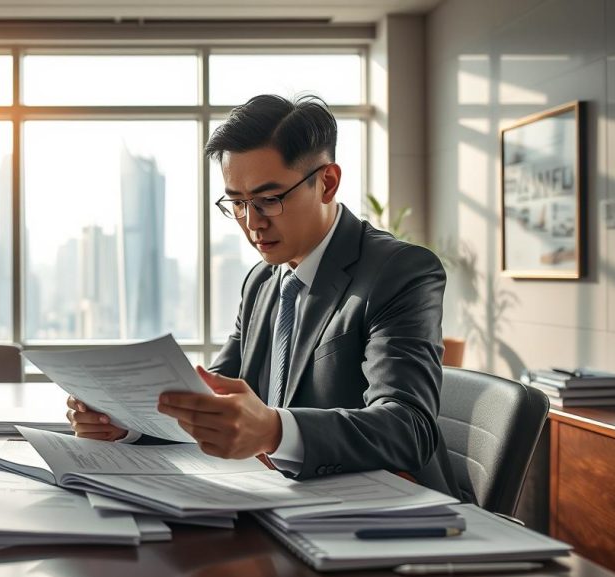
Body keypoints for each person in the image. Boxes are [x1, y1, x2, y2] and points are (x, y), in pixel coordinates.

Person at [66, 94, 462, 499]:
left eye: (269, 199)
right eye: (237, 203)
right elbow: (215, 398)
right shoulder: (262, 281)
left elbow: (407, 429)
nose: (252, 223)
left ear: (327, 183)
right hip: (284, 502)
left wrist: (274, 430)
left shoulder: (399, 271)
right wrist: (127, 426)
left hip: (392, 516)